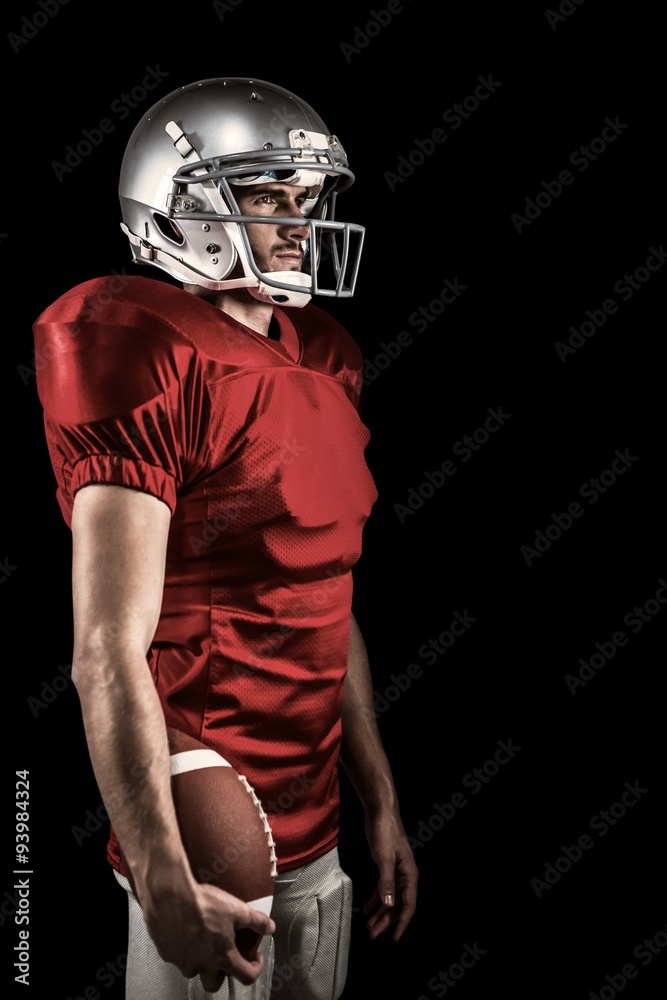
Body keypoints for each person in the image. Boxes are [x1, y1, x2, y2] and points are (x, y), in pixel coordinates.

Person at [32, 77, 418, 999]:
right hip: (205, 797)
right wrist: (163, 876)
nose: (297, 222)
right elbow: (103, 648)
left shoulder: (324, 354)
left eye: (305, 198)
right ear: (178, 205)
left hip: (316, 811)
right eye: (264, 197)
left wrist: (381, 799)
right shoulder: (135, 341)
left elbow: (325, 597)